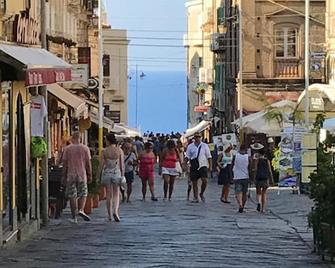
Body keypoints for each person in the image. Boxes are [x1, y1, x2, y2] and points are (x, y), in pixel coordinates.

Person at [62, 131, 92, 223]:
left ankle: (74, 217)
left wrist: (63, 176)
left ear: (72, 138)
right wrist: (90, 174)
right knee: (83, 193)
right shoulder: (85, 148)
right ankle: (81, 210)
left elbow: (65, 164)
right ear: (80, 138)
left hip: (71, 175)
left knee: (72, 195)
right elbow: (88, 163)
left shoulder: (67, 149)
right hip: (82, 174)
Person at [99, 133, 125, 222]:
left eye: (106, 140)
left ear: (108, 141)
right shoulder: (119, 151)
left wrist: (98, 175)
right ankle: (116, 211)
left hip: (107, 173)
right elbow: (122, 165)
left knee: (108, 195)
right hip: (116, 173)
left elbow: (101, 165)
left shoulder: (104, 151)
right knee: (116, 194)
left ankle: (109, 215)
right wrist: (122, 175)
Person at [185, 132, 212, 203]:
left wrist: (210, 166)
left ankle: (201, 193)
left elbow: (209, 156)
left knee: (204, 180)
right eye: (196, 137)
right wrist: (185, 164)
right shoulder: (190, 146)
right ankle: (195, 197)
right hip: (194, 164)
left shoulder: (205, 146)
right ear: (194, 138)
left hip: (203, 164)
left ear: (201, 137)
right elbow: (187, 156)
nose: (197, 138)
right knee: (194, 182)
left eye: (198, 137)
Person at [253, 148, 273, 213]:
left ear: (258, 153)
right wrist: (271, 179)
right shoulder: (267, 161)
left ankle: (259, 202)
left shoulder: (257, 160)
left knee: (258, 192)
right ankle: (263, 209)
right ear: (264, 154)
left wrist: (254, 178)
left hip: (258, 178)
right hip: (265, 178)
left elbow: (255, 169)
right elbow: (270, 171)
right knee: (264, 193)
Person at [232, 144, 250, 213]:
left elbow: (232, 165)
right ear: (245, 149)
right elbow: (250, 167)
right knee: (244, 193)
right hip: (246, 176)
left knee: (238, 192)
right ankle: (243, 205)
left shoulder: (235, 156)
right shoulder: (247, 157)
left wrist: (231, 175)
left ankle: (240, 204)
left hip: (237, 176)